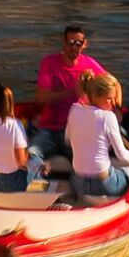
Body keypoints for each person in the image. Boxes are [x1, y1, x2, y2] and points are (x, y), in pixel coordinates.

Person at [30, 24, 106, 168]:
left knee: (89, 162)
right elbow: (41, 97)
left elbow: (112, 84)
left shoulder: (90, 64)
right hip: (50, 130)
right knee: (32, 153)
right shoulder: (49, 62)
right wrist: (72, 91)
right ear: (64, 43)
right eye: (71, 42)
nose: (74, 47)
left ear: (85, 44)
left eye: (79, 43)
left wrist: (116, 106)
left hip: (77, 132)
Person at [63, 72, 129, 205]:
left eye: (114, 98)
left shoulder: (74, 109)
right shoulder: (108, 117)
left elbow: (68, 140)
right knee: (128, 171)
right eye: (109, 98)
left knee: (111, 165)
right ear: (95, 96)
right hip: (103, 185)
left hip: (78, 183)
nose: (113, 103)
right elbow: (122, 156)